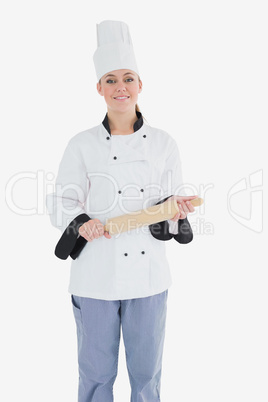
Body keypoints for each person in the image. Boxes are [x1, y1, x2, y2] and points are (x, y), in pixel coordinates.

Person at [46, 20, 198, 402]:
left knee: (147, 376)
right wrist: (83, 223)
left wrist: (176, 214)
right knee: (96, 375)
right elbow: (60, 202)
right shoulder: (81, 145)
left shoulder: (165, 143)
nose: (120, 87)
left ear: (140, 85)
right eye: (111, 80)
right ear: (99, 88)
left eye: (128, 78)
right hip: (95, 275)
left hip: (149, 280)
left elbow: (169, 206)